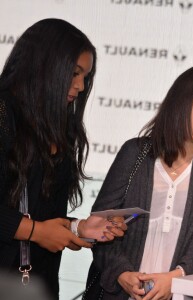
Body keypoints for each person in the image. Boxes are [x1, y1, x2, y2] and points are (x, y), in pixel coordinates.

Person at [0, 18, 126, 299]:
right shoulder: (4, 113)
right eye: (74, 73)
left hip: (37, 284)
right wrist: (35, 231)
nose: (81, 86)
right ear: (45, 66)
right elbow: (33, 224)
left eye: (85, 76)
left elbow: (42, 214)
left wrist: (77, 227)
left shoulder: (58, 127)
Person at [89, 66, 193, 300]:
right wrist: (121, 273)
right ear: (179, 104)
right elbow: (98, 226)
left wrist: (176, 278)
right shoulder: (134, 154)